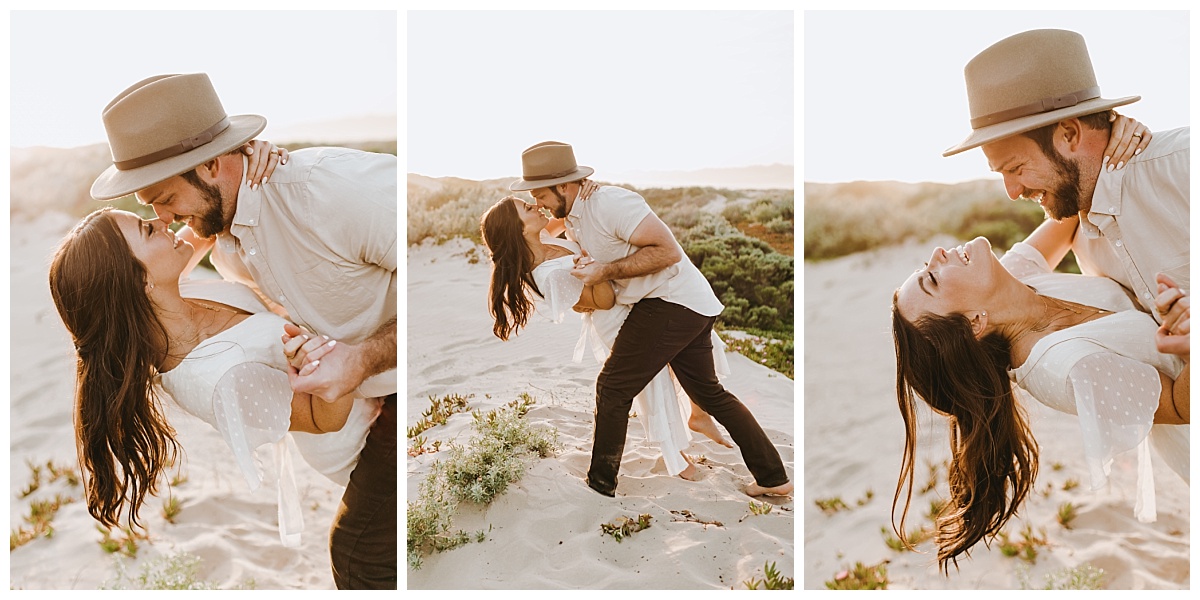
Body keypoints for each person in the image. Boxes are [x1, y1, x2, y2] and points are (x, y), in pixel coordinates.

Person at [88, 73, 396, 589]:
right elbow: (135, 281)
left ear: (212, 165)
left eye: (164, 199)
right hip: (354, 427)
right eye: (150, 212)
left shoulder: (334, 194)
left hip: (394, 389)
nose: (165, 221)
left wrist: (364, 358)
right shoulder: (210, 224)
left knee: (358, 554)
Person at [891, 227, 1190, 572]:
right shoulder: (1062, 367)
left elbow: (1067, 219)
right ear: (974, 322)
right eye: (933, 279)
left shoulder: (1012, 279)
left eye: (925, 265)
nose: (939, 253)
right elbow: (1182, 407)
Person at [507, 141, 792, 498]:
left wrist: (604, 271)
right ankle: (773, 477)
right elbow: (549, 235)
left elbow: (668, 252)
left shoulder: (611, 203)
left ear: (563, 186)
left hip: (672, 302)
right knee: (710, 393)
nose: (538, 204)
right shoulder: (575, 209)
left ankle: (599, 485)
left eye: (540, 195)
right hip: (684, 302)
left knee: (612, 388)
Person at [943, 29, 1190, 366]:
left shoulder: (1184, 165)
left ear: (1071, 134)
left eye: (1015, 168)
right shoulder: (1071, 215)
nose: (1012, 192)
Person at [479, 193, 735, 481]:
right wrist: (595, 273)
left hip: (632, 301)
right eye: (527, 208)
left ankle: (698, 415)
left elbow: (568, 215)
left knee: (686, 348)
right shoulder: (549, 275)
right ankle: (676, 457)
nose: (536, 206)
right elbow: (604, 301)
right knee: (654, 384)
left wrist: (584, 191)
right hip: (614, 317)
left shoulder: (543, 236)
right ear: (519, 229)